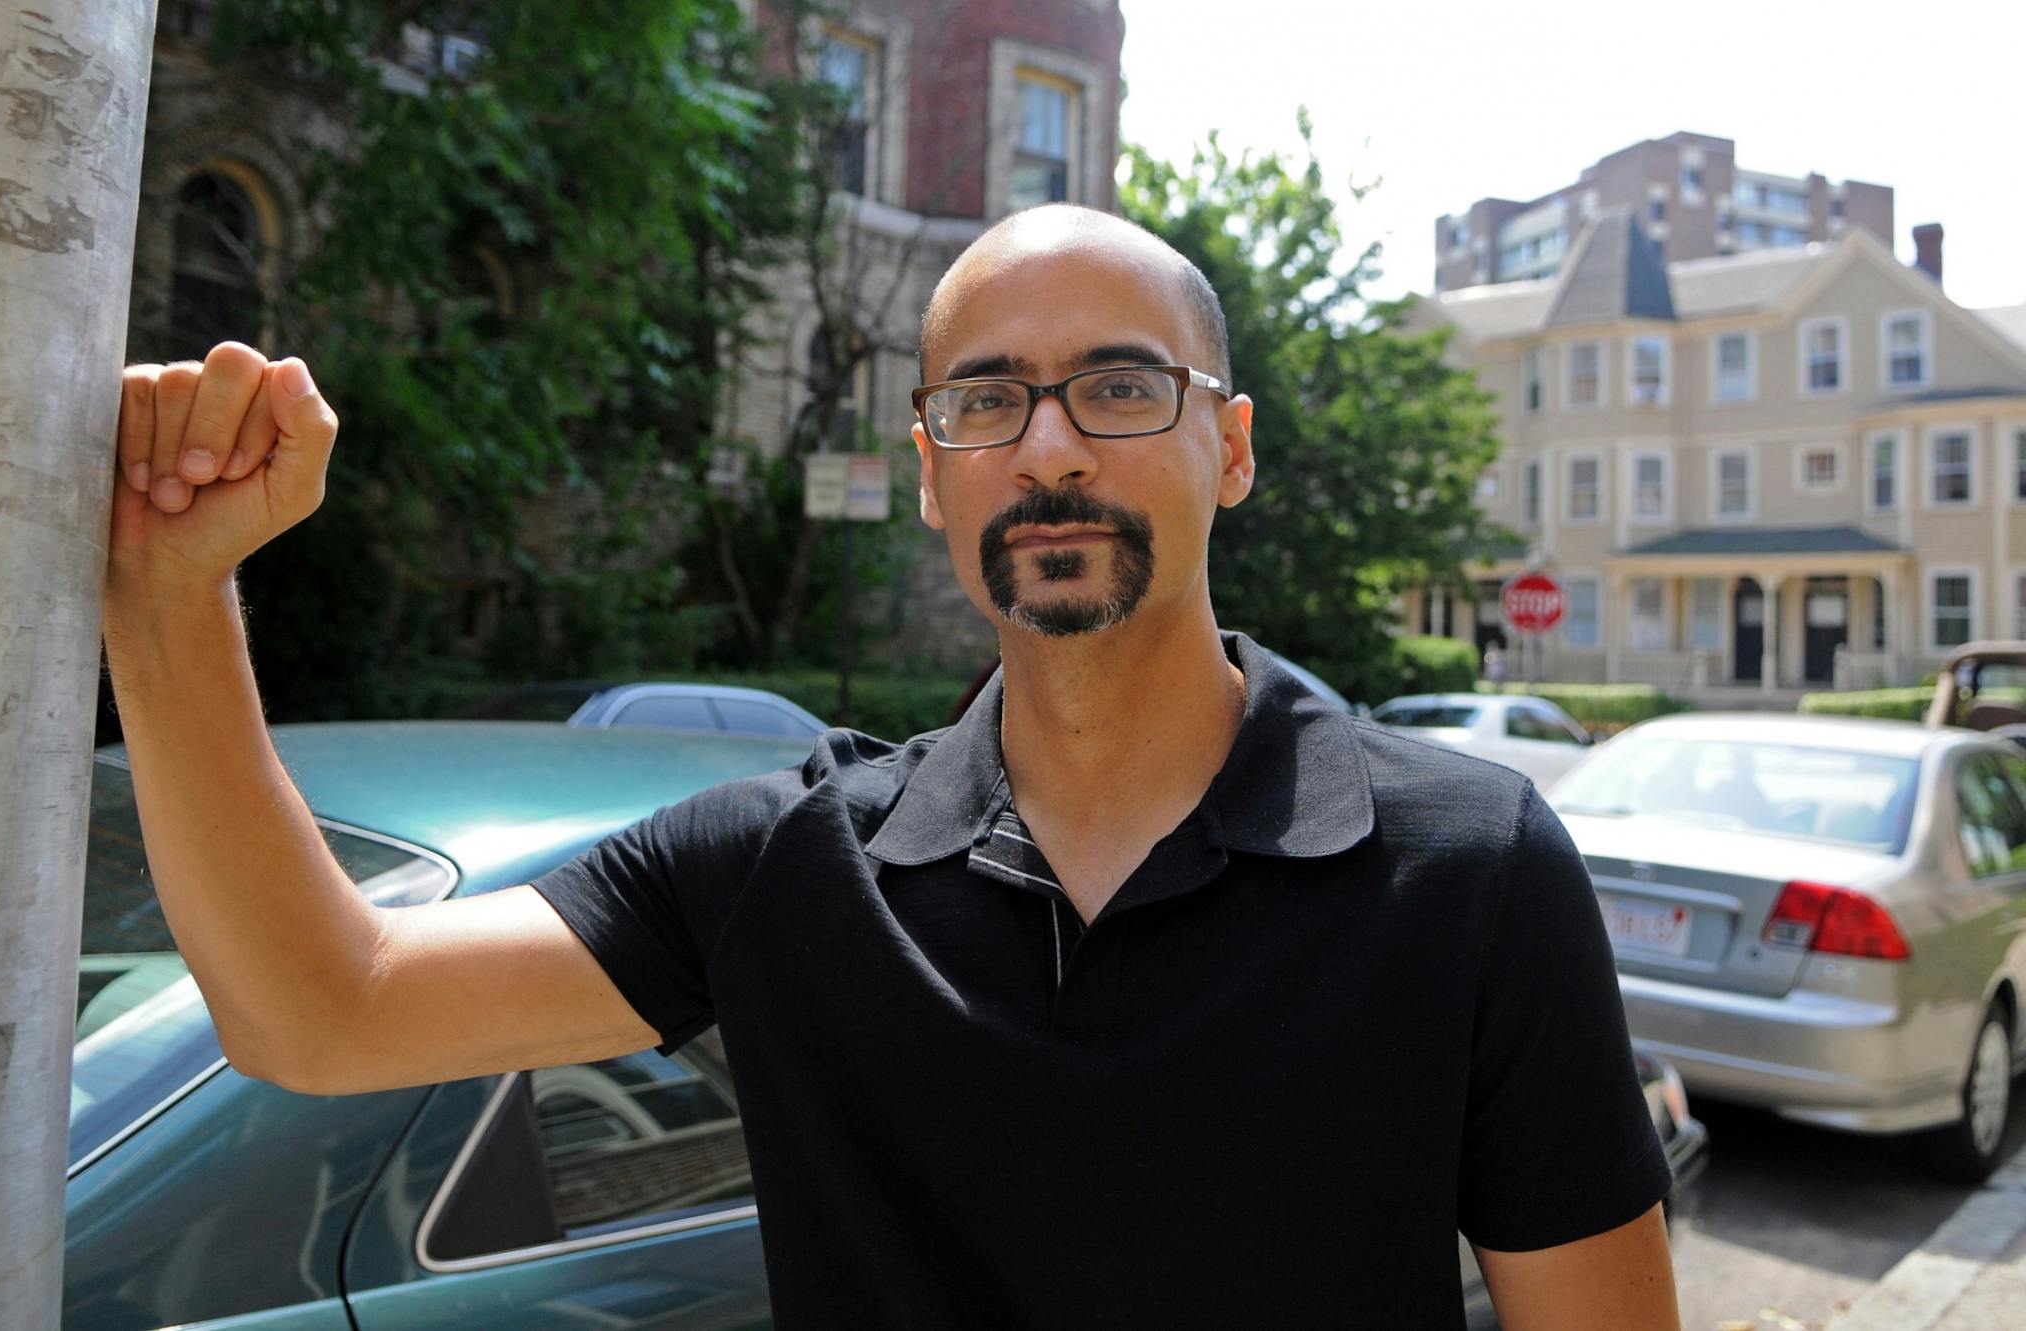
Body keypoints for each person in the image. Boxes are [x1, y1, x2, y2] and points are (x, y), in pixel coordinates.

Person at [103, 203, 1677, 1329]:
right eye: (988, 399)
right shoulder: (787, 872)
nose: (1049, 446)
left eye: (1121, 387)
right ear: (932, 475)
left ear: (1235, 446)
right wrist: (172, 589)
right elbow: (320, 1005)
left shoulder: (1469, 865)